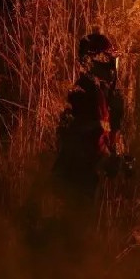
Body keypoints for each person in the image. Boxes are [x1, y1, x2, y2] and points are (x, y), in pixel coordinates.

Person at [54, 31, 126, 197]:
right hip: (74, 183)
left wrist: (115, 121)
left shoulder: (95, 92)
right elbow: (87, 142)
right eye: (106, 58)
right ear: (91, 60)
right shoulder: (86, 93)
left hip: (76, 180)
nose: (111, 65)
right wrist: (111, 161)